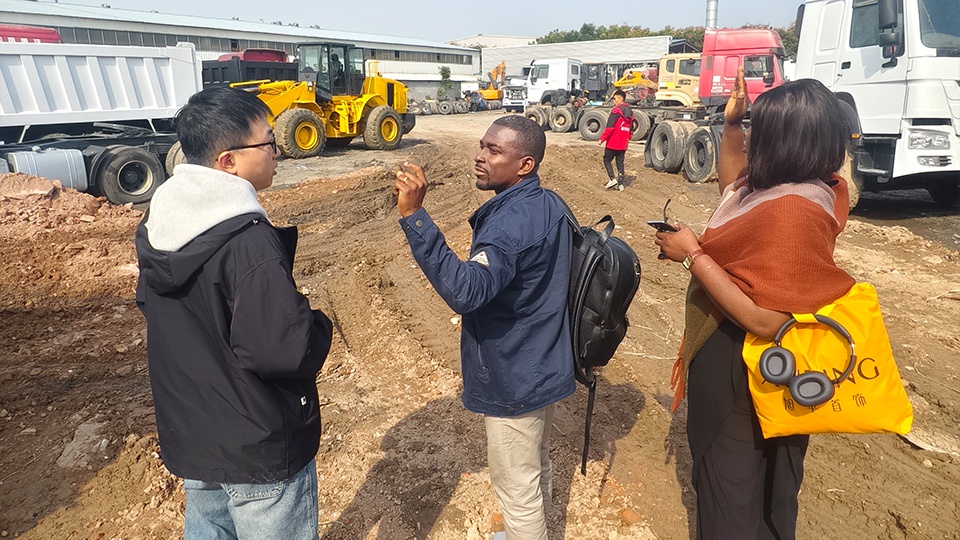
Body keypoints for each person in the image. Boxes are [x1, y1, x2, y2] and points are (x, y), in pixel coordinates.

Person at [654, 69, 854, 539]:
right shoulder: (793, 188)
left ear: (782, 142)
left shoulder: (793, 211)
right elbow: (730, 186)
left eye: (756, 131)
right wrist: (730, 125)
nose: (751, 139)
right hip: (770, 367)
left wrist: (694, 257)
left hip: (746, 366)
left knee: (731, 493)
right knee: (767, 488)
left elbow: (766, 319)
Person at [135, 86, 333, 540]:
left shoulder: (160, 222)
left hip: (194, 431)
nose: (276, 150)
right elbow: (282, 350)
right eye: (267, 141)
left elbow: (155, 307)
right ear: (228, 162)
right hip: (255, 444)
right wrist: (319, 326)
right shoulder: (246, 239)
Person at [393, 115, 575, 540]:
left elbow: (467, 292)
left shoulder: (509, 225)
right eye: (481, 146)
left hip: (516, 373)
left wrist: (416, 217)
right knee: (535, 467)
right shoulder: (546, 203)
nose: (480, 157)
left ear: (524, 165)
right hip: (545, 358)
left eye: (494, 151)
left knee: (517, 488)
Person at [598, 89, 634, 191]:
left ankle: (612, 179)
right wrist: (627, 138)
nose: (614, 102)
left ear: (619, 99)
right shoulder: (630, 113)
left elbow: (610, 128)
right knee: (620, 162)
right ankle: (621, 184)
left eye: (614, 99)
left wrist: (602, 139)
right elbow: (631, 129)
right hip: (623, 143)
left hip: (613, 142)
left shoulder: (615, 111)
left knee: (607, 159)